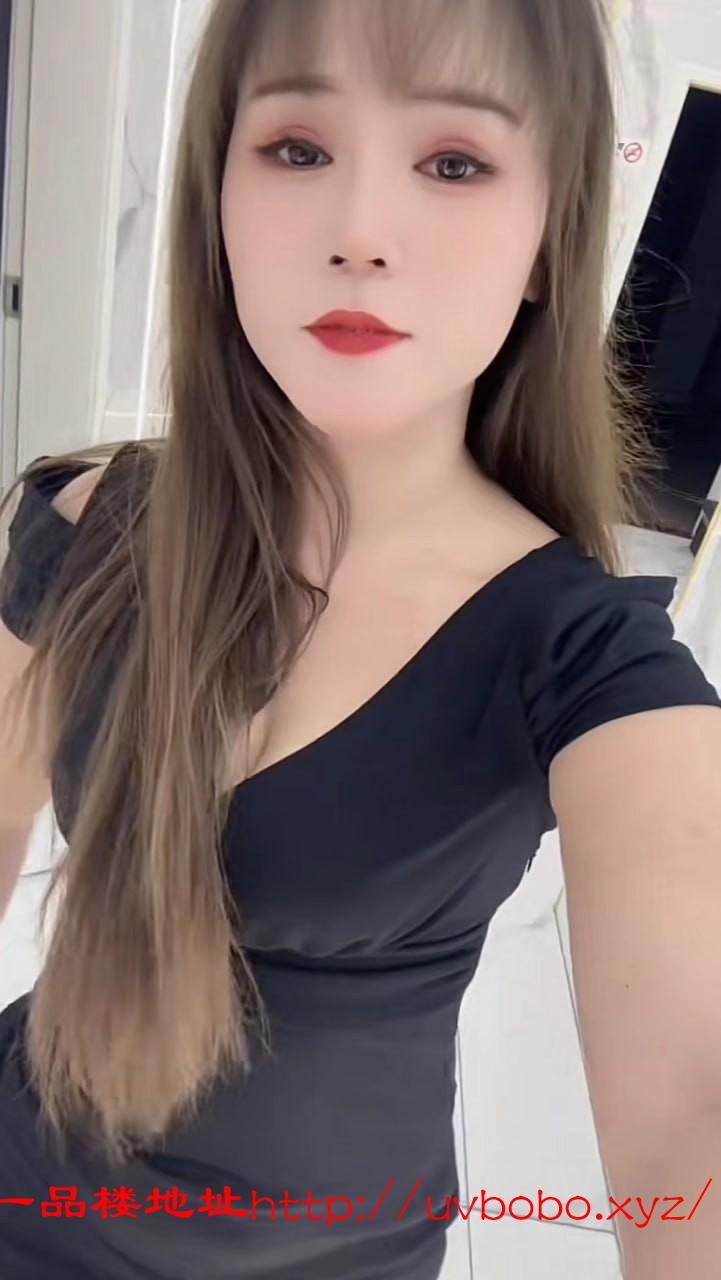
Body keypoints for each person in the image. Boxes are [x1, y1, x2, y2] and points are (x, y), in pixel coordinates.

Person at [1, 0, 720, 1277]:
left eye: (453, 162)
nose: (359, 234)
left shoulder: (588, 663)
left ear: (548, 239)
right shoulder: (78, 524)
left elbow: (686, 1121)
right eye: (296, 148)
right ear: (217, 198)